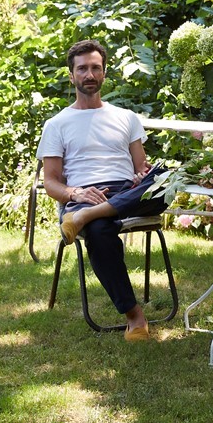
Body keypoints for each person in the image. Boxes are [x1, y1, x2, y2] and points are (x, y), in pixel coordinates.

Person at [36, 39, 168, 341]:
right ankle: (135, 318)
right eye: (82, 69)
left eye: (96, 68)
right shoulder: (57, 124)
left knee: (165, 179)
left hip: (124, 192)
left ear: (104, 73)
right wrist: (76, 195)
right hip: (84, 195)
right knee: (98, 231)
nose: (89, 74)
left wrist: (140, 176)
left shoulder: (126, 117)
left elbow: (142, 168)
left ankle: (87, 216)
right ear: (71, 76)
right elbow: (51, 182)